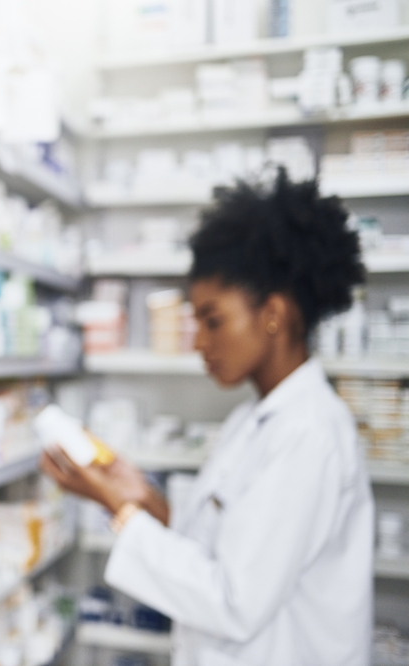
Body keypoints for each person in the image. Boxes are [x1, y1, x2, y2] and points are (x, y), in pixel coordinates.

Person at [41, 170, 374, 666]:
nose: (198, 341)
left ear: (274, 314)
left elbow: (233, 599)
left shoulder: (309, 433)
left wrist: (115, 505)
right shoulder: (254, 419)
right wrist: (139, 494)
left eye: (212, 320)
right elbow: (218, 542)